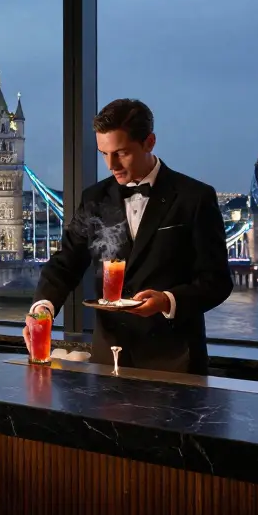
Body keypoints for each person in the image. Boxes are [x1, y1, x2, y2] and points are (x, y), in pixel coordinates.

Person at [27, 99, 232, 375]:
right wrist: (43, 308)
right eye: (103, 154)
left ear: (149, 142)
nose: (111, 165)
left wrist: (167, 300)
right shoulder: (94, 199)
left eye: (121, 153)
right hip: (108, 358)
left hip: (175, 362)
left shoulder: (194, 198)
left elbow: (217, 281)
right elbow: (66, 262)